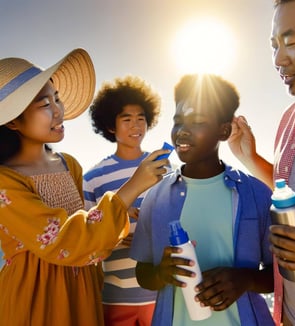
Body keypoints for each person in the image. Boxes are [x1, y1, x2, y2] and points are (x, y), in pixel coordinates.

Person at [0, 48, 170, 326]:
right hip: (36, 297)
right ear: (13, 121)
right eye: (44, 105)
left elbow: (88, 228)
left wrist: (123, 213)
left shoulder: (70, 165)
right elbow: (63, 240)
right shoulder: (5, 181)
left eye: (57, 98)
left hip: (84, 290)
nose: (58, 111)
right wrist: (132, 187)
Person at [130, 74, 275, 325]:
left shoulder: (256, 193)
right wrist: (160, 273)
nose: (182, 131)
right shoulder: (155, 197)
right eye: (177, 122)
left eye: (196, 122)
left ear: (224, 130)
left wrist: (246, 280)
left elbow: (280, 274)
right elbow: (143, 272)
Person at [228, 1, 295, 325]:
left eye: (292, 41)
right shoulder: (290, 120)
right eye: (274, 46)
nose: (278, 59)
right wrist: (249, 158)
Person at [83, 75, 161, 326]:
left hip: (160, 291)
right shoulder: (93, 178)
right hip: (114, 298)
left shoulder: (163, 168)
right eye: (126, 119)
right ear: (110, 126)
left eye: (141, 118)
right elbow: (86, 238)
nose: (135, 125)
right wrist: (116, 237)